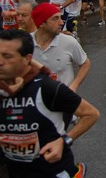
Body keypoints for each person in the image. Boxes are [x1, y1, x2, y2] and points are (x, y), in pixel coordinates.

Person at [0, 29, 100, 178]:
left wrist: (64, 141)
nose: (1, 62)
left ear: (27, 59)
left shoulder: (47, 88)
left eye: (7, 57)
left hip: (53, 171)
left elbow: (91, 114)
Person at [31, 3, 90, 92]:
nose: (61, 23)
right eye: (55, 19)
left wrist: (73, 87)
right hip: (35, 101)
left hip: (63, 100)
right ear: (42, 23)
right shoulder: (25, 42)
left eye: (60, 17)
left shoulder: (69, 42)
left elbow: (85, 63)